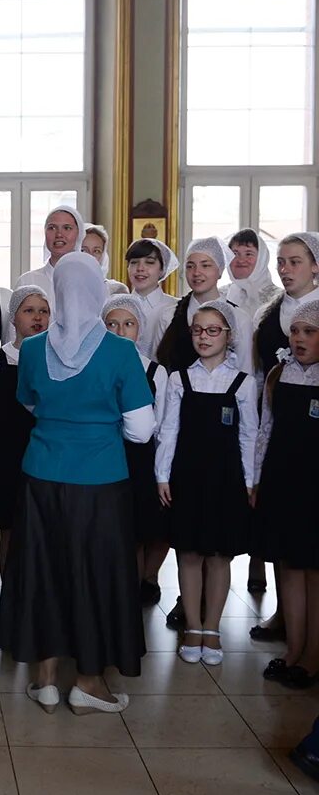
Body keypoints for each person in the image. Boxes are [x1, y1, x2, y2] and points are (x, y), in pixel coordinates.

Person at [0, 253, 155, 715]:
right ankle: (88, 682)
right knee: (94, 575)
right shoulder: (121, 352)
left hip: (41, 474)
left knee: (42, 570)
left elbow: (30, 402)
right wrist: (101, 431)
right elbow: (142, 430)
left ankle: (44, 680)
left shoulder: (31, 348)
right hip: (101, 480)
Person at [156, 301, 255, 666]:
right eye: (198, 330)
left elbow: (249, 435)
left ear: (228, 336)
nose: (204, 337)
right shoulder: (180, 378)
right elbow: (169, 429)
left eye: (213, 330)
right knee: (189, 553)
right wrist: (162, 474)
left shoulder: (244, 382)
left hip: (226, 478)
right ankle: (193, 625)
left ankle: (213, 626)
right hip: (188, 475)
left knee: (218, 555)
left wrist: (250, 480)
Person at [255, 299, 319, 689]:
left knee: (314, 570)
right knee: (289, 566)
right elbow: (265, 430)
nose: (299, 339)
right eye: (295, 332)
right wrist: (257, 481)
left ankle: (314, 654)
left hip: (315, 483)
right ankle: (294, 647)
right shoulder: (279, 375)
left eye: (309, 332)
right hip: (283, 479)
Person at [0, 286, 49, 575]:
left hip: (45, 456)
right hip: (7, 458)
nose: (37, 318)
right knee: (11, 530)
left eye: (43, 311)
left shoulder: (55, 358)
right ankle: (10, 600)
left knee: (43, 532)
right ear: (14, 318)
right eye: (29, 311)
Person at [101, 295, 169, 606]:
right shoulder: (94, 366)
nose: (120, 331)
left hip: (139, 460)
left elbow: (163, 424)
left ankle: (132, 594)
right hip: (102, 455)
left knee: (138, 533)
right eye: (112, 324)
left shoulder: (156, 371)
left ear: (139, 330)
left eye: (128, 324)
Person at [152, 237, 253, 375]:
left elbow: (246, 372)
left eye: (205, 265)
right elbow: (158, 371)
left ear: (220, 271)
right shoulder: (168, 315)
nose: (196, 272)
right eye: (190, 266)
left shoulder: (239, 318)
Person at [253, 232, 319, 376]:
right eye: (280, 262)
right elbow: (258, 371)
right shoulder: (264, 314)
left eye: (294, 262)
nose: (284, 270)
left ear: (315, 266)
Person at [14, 205, 85, 312]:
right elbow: (15, 326)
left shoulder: (90, 281)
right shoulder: (27, 281)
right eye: (52, 228)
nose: (59, 234)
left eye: (67, 228)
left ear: (78, 234)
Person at [125, 238, 179, 357]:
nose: (140, 268)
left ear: (162, 269)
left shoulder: (175, 308)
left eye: (149, 262)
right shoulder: (118, 306)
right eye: (134, 262)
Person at [225, 228, 280, 314]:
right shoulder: (221, 295)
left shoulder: (280, 298)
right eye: (235, 254)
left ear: (262, 259)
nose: (241, 260)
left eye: (248, 254)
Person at [82, 223, 129, 295]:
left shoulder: (116, 289)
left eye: (96, 251)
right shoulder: (62, 286)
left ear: (103, 255)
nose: (90, 256)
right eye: (84, 250)